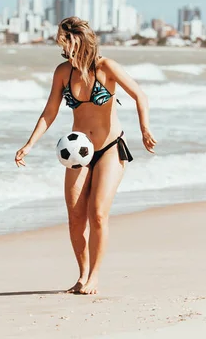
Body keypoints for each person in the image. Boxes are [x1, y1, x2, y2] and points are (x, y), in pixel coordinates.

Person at [14, 16, 156, 295]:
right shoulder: (63, 72)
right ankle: (81, 276)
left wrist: (145, 129)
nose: (64, 49)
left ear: (80, 41)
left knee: (98, 213)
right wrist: (29, 144)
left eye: (66, 42)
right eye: (62, 44)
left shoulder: (106, 67)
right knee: (76, 216)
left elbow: (140, 95)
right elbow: (50, 111)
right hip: (78, 151)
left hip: (110, 148)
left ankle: (95, 277)